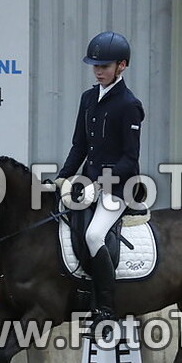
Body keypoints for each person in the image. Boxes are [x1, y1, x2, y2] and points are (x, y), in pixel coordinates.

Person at [56, 31, 145, 334]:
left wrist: (101, 185)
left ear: (122, 65)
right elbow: (79, 146)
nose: (98, 71)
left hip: (119, 187)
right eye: (94, 65)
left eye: (104, 66)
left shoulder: (129, 104)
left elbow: (129, 160)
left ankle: (106, 308)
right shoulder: (88, 98)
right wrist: (62, 178)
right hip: (88, 183)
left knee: (94, 235)